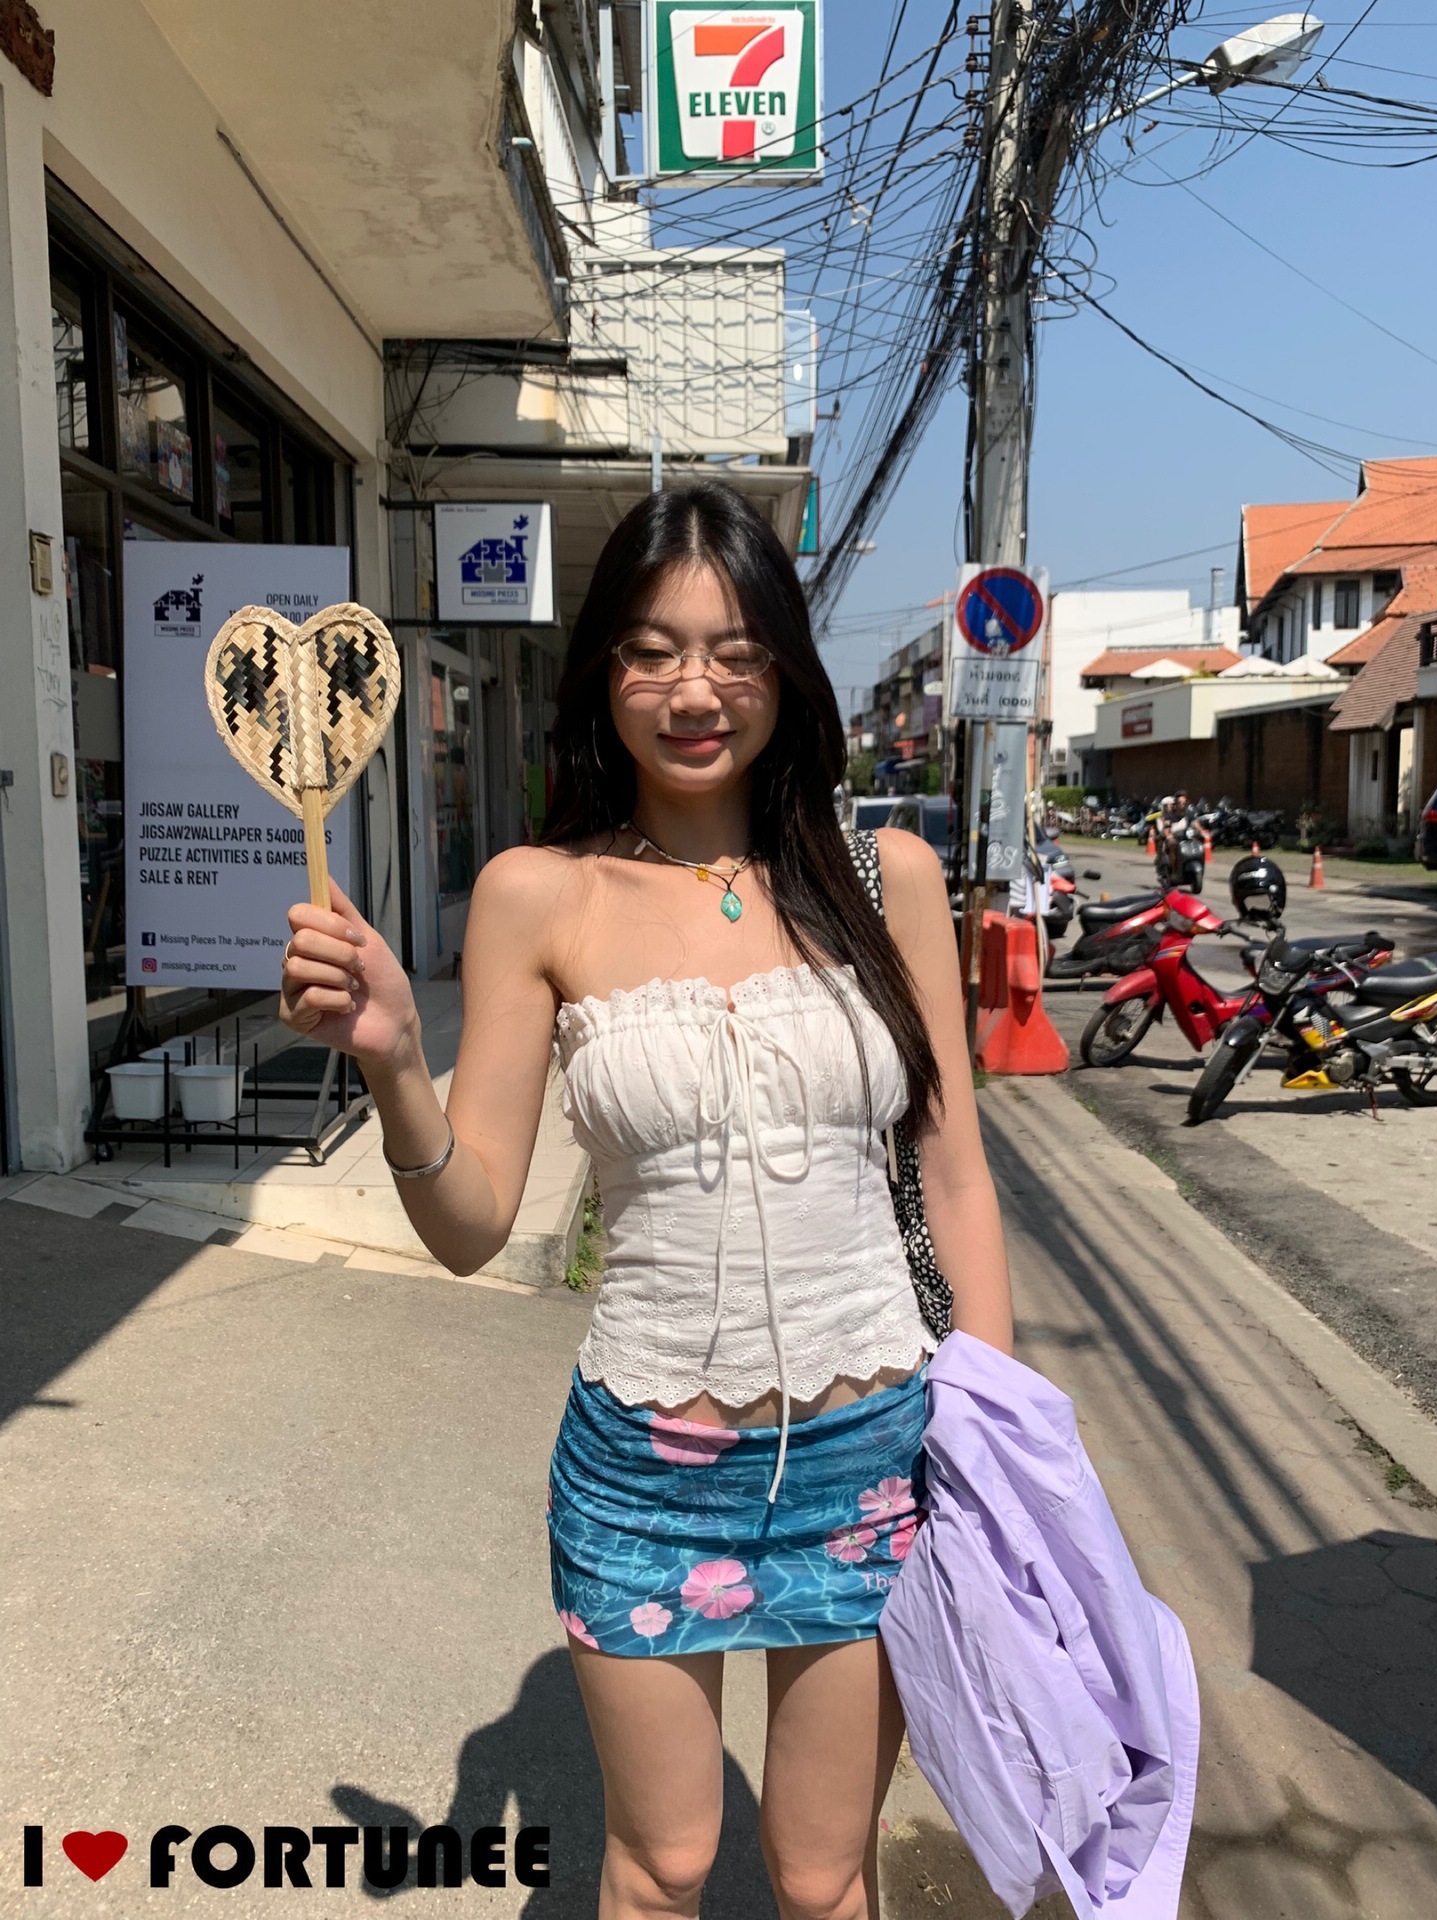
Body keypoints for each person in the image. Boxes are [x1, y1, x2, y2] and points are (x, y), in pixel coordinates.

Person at [277, 483, 1012, 1920]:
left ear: (784, 671)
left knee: (823, 1876)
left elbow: (954, 1172)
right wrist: (397, 1061)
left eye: (734, 652)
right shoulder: (535, 894)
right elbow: (472, 1224)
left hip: (875, 1449)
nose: (693, 691)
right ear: (601, 671)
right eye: (652, 651)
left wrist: (993, 1426)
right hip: (645, 1467)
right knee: (663, 1864)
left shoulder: (890, 879)